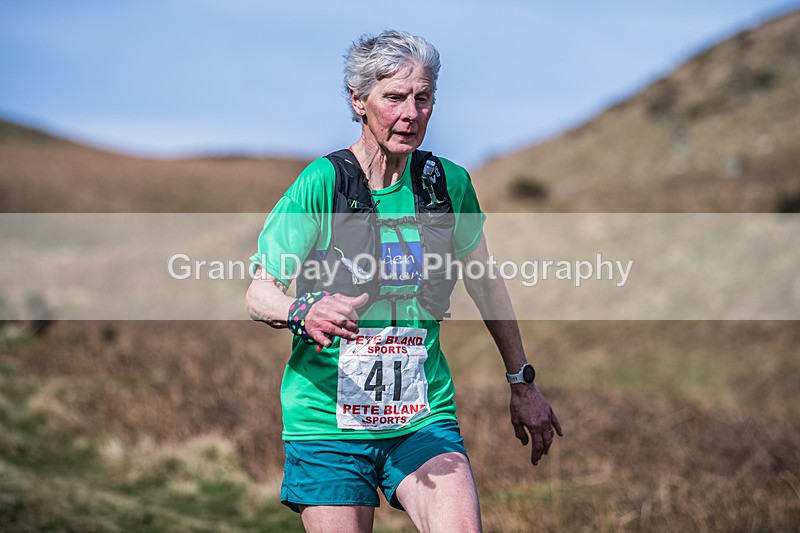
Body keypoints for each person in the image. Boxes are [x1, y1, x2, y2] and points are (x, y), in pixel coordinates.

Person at [246, 30, 562, 533]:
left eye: (423, 98)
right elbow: (259, 292)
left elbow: (484, 282)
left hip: (420, 415)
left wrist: (521, 381)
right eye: (393, 97)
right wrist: (300, 310)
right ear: (358, 101)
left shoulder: (447, 184)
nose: (410, 113)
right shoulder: (323, 183)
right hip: (327, 421)